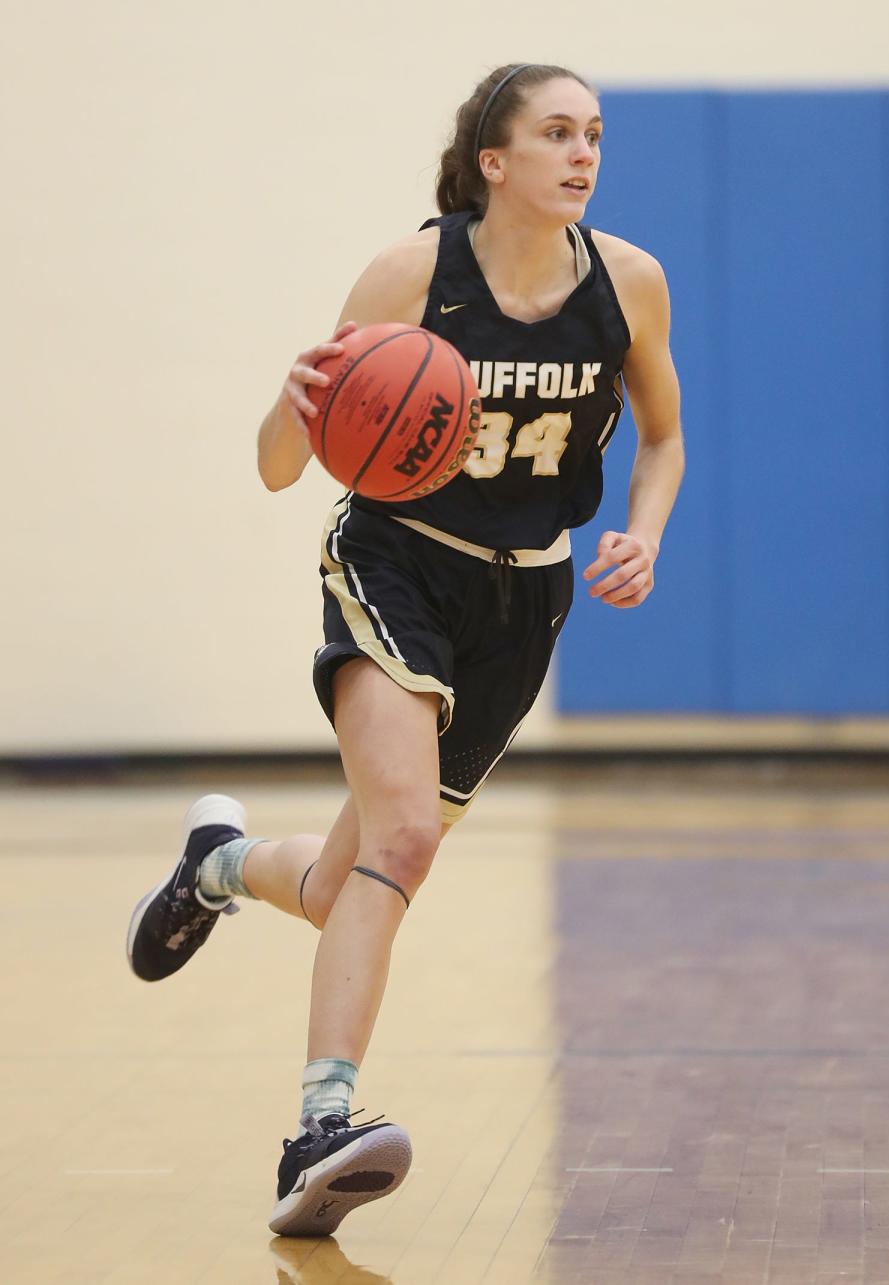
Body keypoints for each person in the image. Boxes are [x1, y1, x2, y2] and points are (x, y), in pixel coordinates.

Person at [126, 62, 685, 1238]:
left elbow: (665, 436)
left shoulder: (629, 284)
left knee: (345, 885)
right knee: (407, 840)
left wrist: (642, 530)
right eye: (556, 133)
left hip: (525, 601)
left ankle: (214, 869)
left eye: (594, 134)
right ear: (495, 161)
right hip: (397, 563)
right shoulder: (412, 273)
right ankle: (320, 1124)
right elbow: (285, 466)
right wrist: (292, 402)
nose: (583, 153)